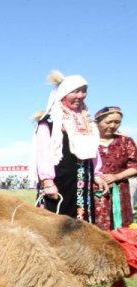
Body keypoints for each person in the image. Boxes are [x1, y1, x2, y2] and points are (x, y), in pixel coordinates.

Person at [34, 71, 107, 221]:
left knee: (81, 224)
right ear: (64, 93)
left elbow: (94, 150)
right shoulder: (49, 121)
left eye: (84, 91)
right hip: (58, 180)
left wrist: (98, 175)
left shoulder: (88, 121)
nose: (80, 95)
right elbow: (42, 153)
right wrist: (47, 181)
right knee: (55, 222)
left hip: (82, 183)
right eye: (76, 91)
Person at [93, 106, 137, 231]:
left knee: (121, 227)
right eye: (108, 122)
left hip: (120, 191)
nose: (113, 125)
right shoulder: (88, 142)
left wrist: (116, 177)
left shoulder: (125, 141)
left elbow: (135, 165)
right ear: (97, 122)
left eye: (117, 122)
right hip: (94, 192)